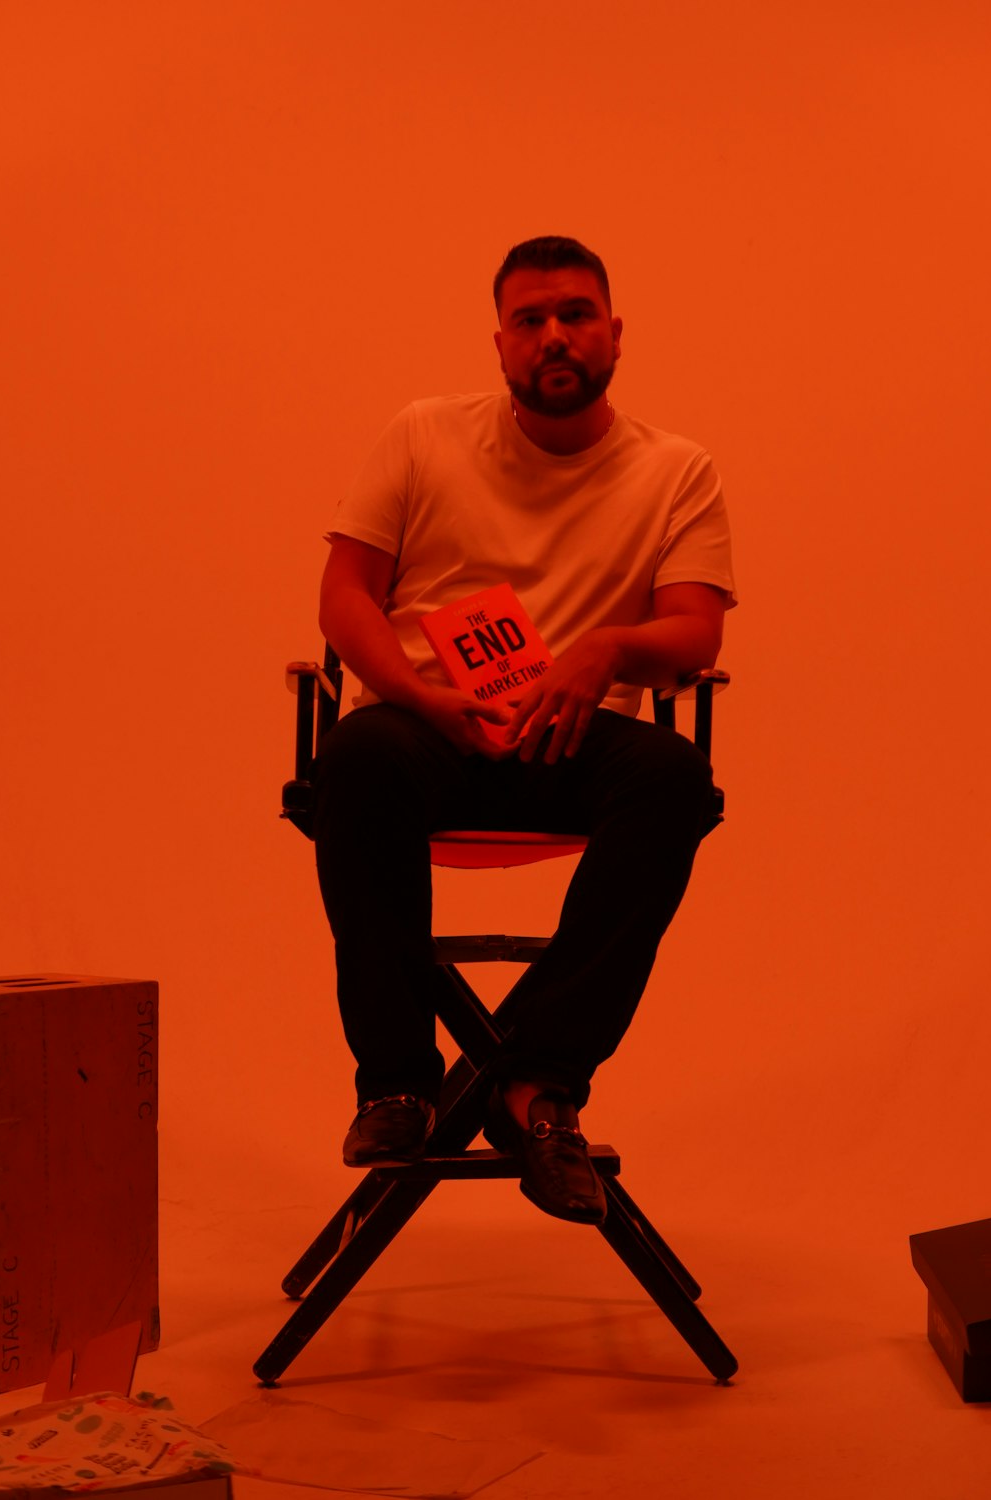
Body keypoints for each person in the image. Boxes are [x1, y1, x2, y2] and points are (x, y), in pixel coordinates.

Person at [313, 235, 736, 1226]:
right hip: (429, 730)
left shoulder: (676, 470)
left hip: (569, 737)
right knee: (360, 754)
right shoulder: (422, 434)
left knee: (673, 779)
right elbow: (343, 598)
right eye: (530, 319)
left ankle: (537, 1086)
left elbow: (694, 628)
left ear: (615, 335)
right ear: (498, 342)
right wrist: (418, 698)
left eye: (575, 315)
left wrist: (602, 652)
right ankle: (399, 1087)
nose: (554, 335)